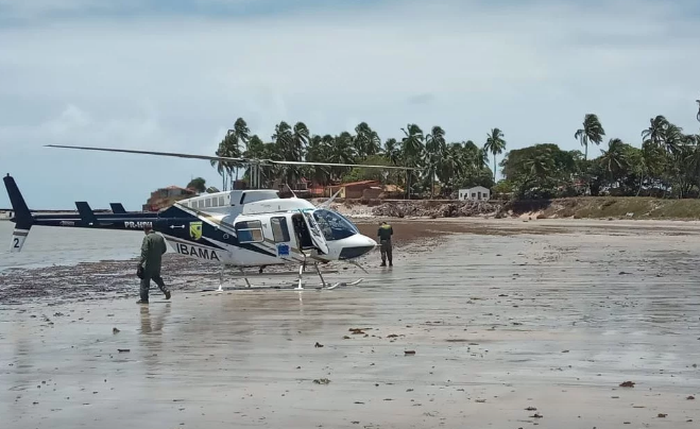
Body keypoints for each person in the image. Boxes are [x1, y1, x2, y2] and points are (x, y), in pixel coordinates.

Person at [136, 225, 170, 304]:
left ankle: (144, 299)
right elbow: (164, 249)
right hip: (157, 262)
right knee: (157, 278)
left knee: (144, 281)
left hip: (148, 263)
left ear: (145, 230)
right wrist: (157, 255)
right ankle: (165, 290)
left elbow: (145, 252)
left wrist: (140, 263)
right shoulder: (160, 237)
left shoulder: (147, 238)